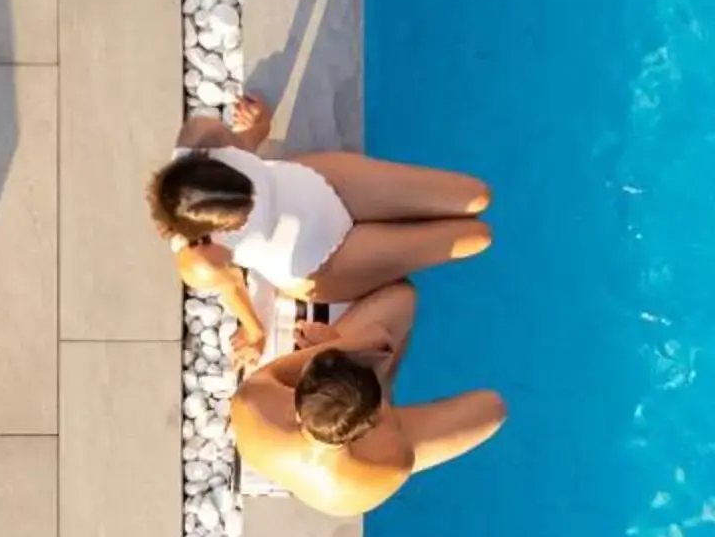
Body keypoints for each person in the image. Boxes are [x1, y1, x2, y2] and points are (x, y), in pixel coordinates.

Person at [152, 94, 491, 354]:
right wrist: (255, 334)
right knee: (477, 236)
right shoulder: (198, 260)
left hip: (325, 183)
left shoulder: (201, 136)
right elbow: (231, 286)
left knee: (477, 196)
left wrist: (255, 129)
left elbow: (242, 146)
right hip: (325, 261)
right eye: (244, 213)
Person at [233, 280, 507, 516]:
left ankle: (379, 375)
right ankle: (383, 380)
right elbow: (378, 340)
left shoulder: (252, 405)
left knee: (398, 309)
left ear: (297, 406)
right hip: (347, 479)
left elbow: (287, 368)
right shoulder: (382, 467)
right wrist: (363, 344)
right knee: (493, 408)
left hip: (325, 470)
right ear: (375, 418)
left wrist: (334, 345)